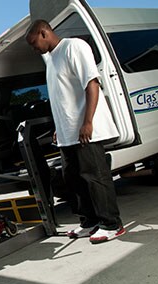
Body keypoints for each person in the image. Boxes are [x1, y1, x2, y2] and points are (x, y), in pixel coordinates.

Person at [25, 20, 125, 244]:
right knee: (73, 179)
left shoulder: (73, 47)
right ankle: (89, 222)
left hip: (86, 130)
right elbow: (62, 98)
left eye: (34, 43)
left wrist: (88, 121)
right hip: (66, 133)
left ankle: (112, 224)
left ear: (44, 32)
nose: (34, 49)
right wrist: (58, 128)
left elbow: (91, 83)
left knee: (95, 177)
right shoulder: (51, 60)